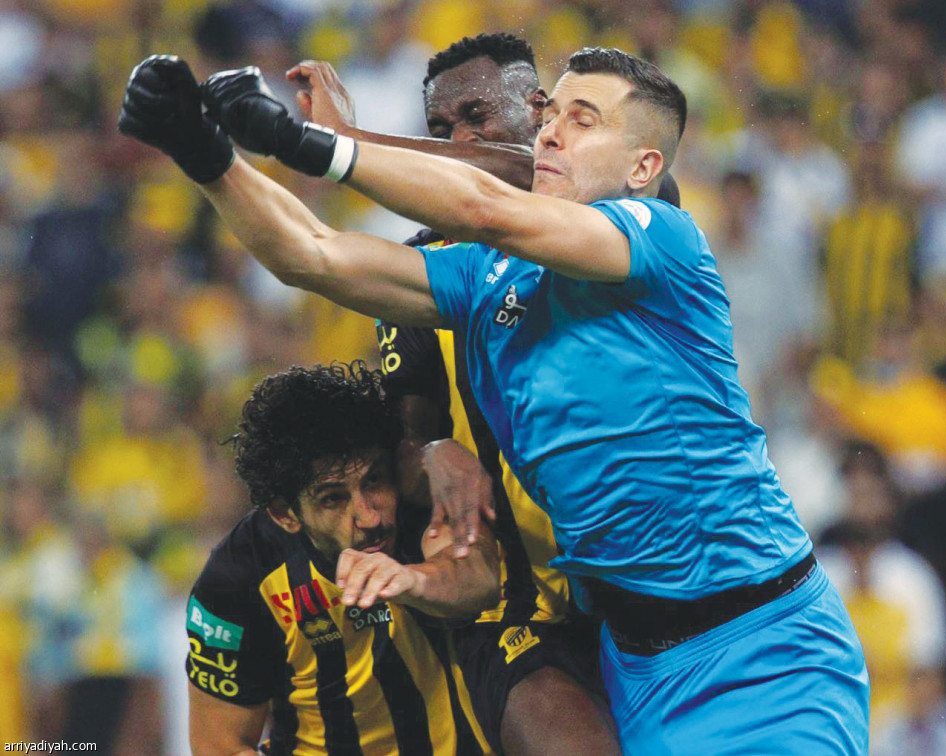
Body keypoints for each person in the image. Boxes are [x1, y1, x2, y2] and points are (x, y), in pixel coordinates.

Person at [119, 46, 870, 753]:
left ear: (644, 166)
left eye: (583, 120)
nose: (552, 132)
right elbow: (314, 255)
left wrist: (311, 142)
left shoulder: (659, 236)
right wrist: (206, 155)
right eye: (552, 115)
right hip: (636, 665)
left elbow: (488, 205)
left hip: (761, 649)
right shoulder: (484, 279)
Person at [296, 34, 622, 756]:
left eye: (477, 117)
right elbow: (408, 451)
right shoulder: (423, 269)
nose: (458, 142)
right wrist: (435, 447)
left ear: (540, 113)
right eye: (441, 129)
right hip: (516, 611)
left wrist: (351, 144)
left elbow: (519, 179)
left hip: (646, 594)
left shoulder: (619, 213)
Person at [186, 361, 499, 755]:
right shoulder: (240, 575)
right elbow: (221, 746)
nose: (369, 517)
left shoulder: (419, 500)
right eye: (333, 498)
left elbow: (482, 578)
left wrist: (414, 580)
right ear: (285, 515)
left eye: (374, 480)